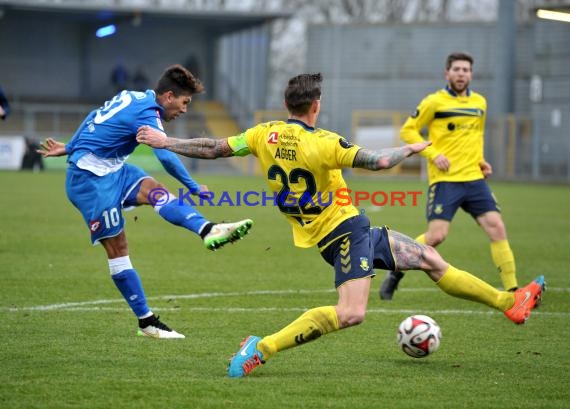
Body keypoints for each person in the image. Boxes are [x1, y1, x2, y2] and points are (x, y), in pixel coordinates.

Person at [136, 73, 545, 377]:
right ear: (315, 105)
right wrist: (413, 147)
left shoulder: (265, 134)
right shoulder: (325, 141)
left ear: (288, 104)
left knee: (429, 258)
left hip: (350, 227)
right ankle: (261, 347)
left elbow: (212, 147)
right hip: (342, 233)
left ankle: (510, 303)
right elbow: (379, 161)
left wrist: (167, 142)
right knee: (352, 314)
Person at [38, 64, 253, 339]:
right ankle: (146, 321)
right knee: (118, 248)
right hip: (89, 181)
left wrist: (68, 145)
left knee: (155, 190)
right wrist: (193, 186)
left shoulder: (133, 96)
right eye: (184, 102)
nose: (185, 109)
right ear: (168, 97)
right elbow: (164, 154)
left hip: (114, 170)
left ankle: (208, 229)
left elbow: (94, 115)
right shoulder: (147, 113)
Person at [379, 52, 520, 300]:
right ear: (447, 73)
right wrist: (433, 154)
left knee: (497, 227)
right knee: (436, 236)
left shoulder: (480, 103)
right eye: (456, 69)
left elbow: (476, 137)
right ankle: (396, 271)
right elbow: (408, 130)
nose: (461, 74)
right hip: (445, 180)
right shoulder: (434, 102)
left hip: (474, 178)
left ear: (471, 74)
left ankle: (513, 290)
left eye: (466, 70)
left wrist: (481, 160)